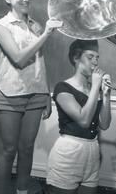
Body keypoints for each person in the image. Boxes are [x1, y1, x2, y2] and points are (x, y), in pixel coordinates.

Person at [0, 0, 62, 194]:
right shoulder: (1, 26)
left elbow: (40, 62)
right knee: (8, 150)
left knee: (27, 147)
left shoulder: (35, 25)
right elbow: (19, 59)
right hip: (11, 94)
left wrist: (46, 94)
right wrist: (47, 33)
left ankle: (22, 191)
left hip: (36, 95)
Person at [46, 39, 112, 194]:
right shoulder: (62, 88)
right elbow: (84, 121)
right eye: (90, 57)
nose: (95, 62)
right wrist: (96, 86)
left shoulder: (95, 89)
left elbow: (104, 124)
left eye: (97, 58)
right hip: (69, 153)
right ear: (76, 58)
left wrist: (107, 95)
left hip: (93, 151)